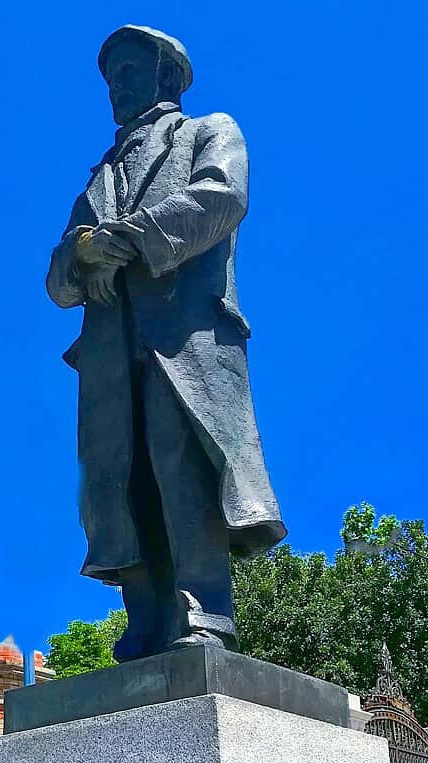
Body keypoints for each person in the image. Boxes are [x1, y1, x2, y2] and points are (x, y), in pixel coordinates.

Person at [46, 25, 286, 661]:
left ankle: (205, 613)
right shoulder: (94, 184)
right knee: (120, 486)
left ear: (166, 74)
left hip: (185, 341)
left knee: (183, 471)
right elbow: (56, 283)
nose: (115, 87)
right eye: (109, 77)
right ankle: (147, 619)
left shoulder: (210, 130)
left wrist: (125, 241)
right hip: (109, 355)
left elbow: (220, 197)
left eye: (127, 71)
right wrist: (81, 251)